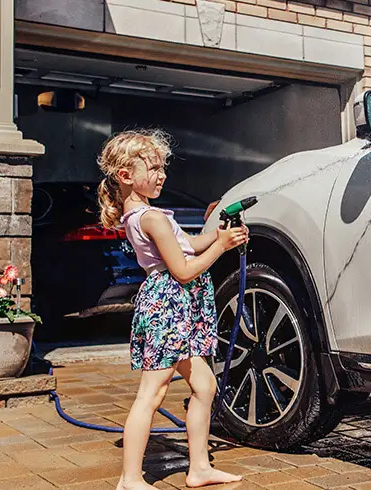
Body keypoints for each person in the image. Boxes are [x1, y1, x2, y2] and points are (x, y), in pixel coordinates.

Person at [97, 129, 248, 489]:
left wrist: (218, 234)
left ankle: (198, 469)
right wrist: (222, 248)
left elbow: (190, 245)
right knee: (153, 391)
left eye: (163, 167)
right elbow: (182, 269)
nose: (162, 174)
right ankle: (129, 478)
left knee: (205, 385)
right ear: (126, 176)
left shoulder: (149, 215)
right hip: (169, 304)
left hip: (179, 307)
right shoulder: (151, 219)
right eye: (153, 167)